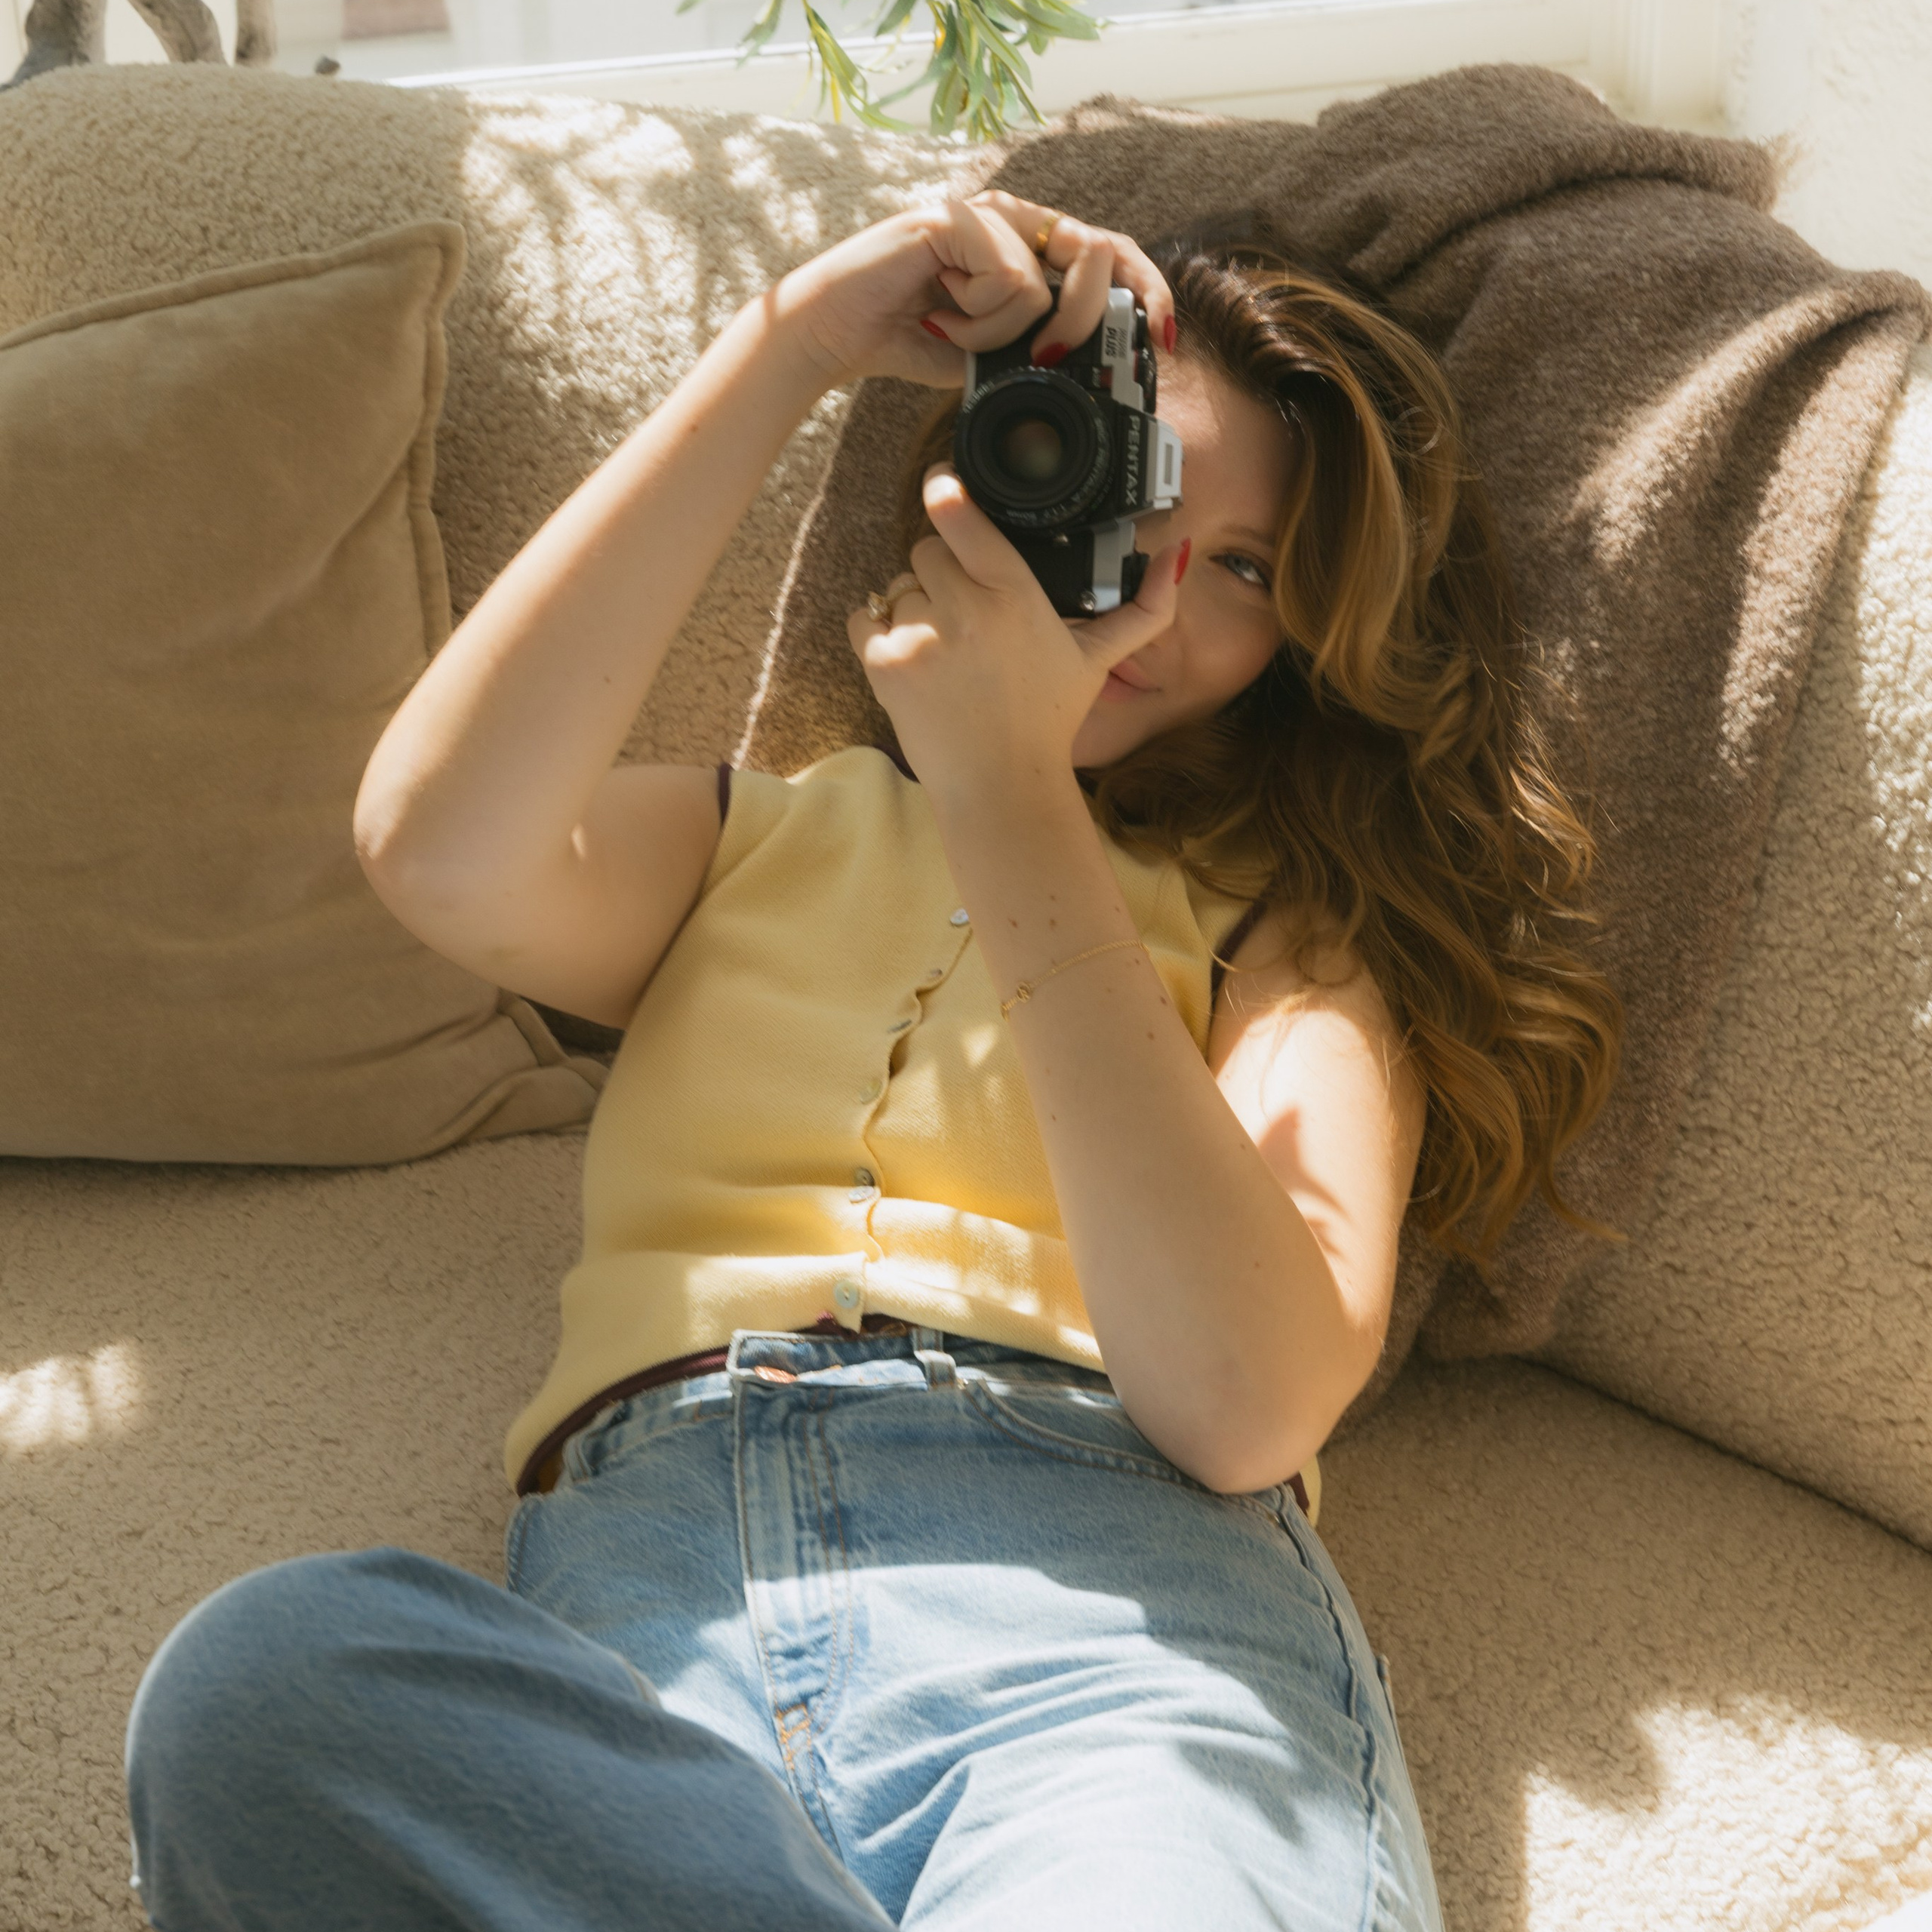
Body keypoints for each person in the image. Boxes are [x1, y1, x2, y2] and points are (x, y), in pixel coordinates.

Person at [122, 189, 1623, 1930]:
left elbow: (1242, 1396)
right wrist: (795, 344)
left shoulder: (1290, 936)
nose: (1145, 588)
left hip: (1107, 1638)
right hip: (646, 1630)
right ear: (997, 472)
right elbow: (440, 845)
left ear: (1304, 647)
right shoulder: (764, 841)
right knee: (264, 1680)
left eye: (1242, 571)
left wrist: (1007, 788)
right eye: (1122, 497)